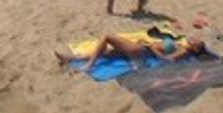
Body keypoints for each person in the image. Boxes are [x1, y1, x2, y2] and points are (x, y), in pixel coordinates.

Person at [54, 32, 206, 72]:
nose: (196, 40)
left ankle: (89, 65)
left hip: (141, 51)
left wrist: (152, 48)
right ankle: (70, 58)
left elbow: (169, 60)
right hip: (140, 50)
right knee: (105, 52)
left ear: (196, 49)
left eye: (199, 43)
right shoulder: (182, 45)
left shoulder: (184, 51)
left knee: (107, 37)